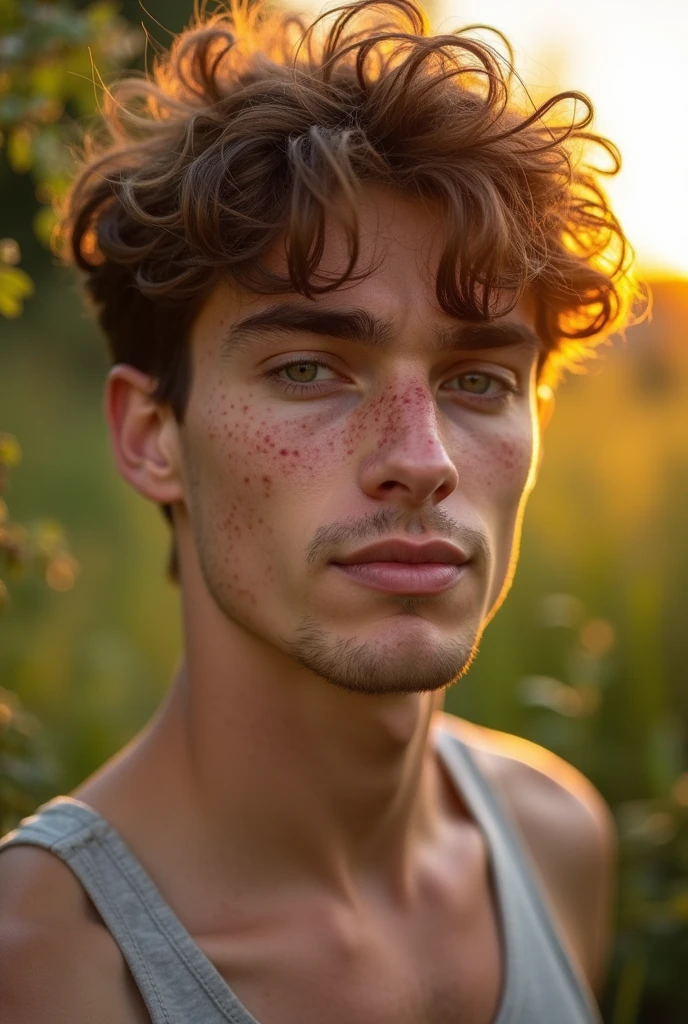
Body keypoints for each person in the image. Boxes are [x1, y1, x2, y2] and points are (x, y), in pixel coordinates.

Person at [0, 1, 637, 1021]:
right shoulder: (44, 967)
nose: (420, 462)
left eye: (477, 380)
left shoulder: (556, 839)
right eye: (308, 367)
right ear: (151, 435)